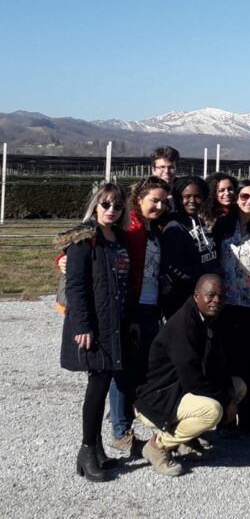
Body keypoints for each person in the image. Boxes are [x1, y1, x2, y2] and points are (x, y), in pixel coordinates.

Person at [135, 275, 247, 477]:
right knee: (213, 410)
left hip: (183, 390)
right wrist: (225, 401)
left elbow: (219, 364)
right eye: (210, 296)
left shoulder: (210, 319)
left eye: (220, 297)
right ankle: (158, 445)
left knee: (239, 387)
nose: (216, 301)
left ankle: (186, 438)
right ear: (196, 296)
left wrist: (230, 393)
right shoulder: (184, 324)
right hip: (161, 397)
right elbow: (193, 379)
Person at [58, 183, 131, 481]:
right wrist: (82, 326)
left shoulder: (119, 239)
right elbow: (75, 286)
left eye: (117, 206)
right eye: (106, 205)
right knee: (97, 386)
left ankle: (97, 449)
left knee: (103, 383)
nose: (111, 210)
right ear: (95, 205)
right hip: (95, 325)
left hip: (115, 323)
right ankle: (87, 451)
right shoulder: (84, 238)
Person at [108, 176, 170, 453]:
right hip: (131, 308)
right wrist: (64, 257)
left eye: (163, 202)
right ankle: (121, 430)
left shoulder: (152, 229)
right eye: (153, 200)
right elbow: (96, 238)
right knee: (123, 368)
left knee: (141, 366)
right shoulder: (128, 227)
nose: (158, 205)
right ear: (139, 199)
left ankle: (129, 419)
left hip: (150, 306)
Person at [212, 179, 250, 433]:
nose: (249, 201)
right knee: (225, 362)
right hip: (225, 305)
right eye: (244, 196)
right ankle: (226, 418)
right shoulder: (222, 226)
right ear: (236, 198)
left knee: (248, 363)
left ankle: (247, 418)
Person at [159, 176, 220, 319]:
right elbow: (174, 269)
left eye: (197, 196)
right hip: (182, 302)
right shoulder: (174, 227)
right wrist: (209, 272)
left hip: (203, 299)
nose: (192, 201)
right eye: (186, 196)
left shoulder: (202, 223)